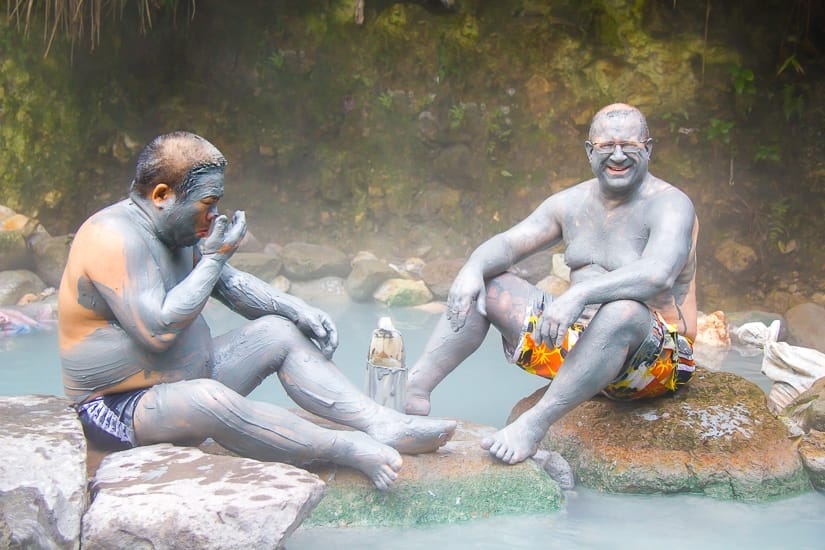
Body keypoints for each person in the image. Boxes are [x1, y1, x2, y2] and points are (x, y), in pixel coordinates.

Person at [58, 131, 456, 490]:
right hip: (119, 409)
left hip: (190, 379)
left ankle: (380, 422)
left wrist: (294, 307)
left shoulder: (175, 230)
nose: (213, 216)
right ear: (162, 196)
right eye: (207, 204)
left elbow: (230, 285)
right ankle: (344, 447)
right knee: (208, 399)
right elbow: (156, 330)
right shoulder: (112, 237)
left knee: (278, 331)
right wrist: (213, 259)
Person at [405, 103, 698, 465]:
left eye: (629, 146)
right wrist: (472, 267)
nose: (617, 155)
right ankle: (414, 393)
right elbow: (509, 244)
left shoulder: (671, 205)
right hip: (576, 349)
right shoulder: (571, 202)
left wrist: (580, 293)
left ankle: (534, 424)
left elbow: (658, 273)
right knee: (490, 284)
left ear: (648, 149)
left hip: (652, 361)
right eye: (606, 146)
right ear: (590, 151)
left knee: (624, 309)